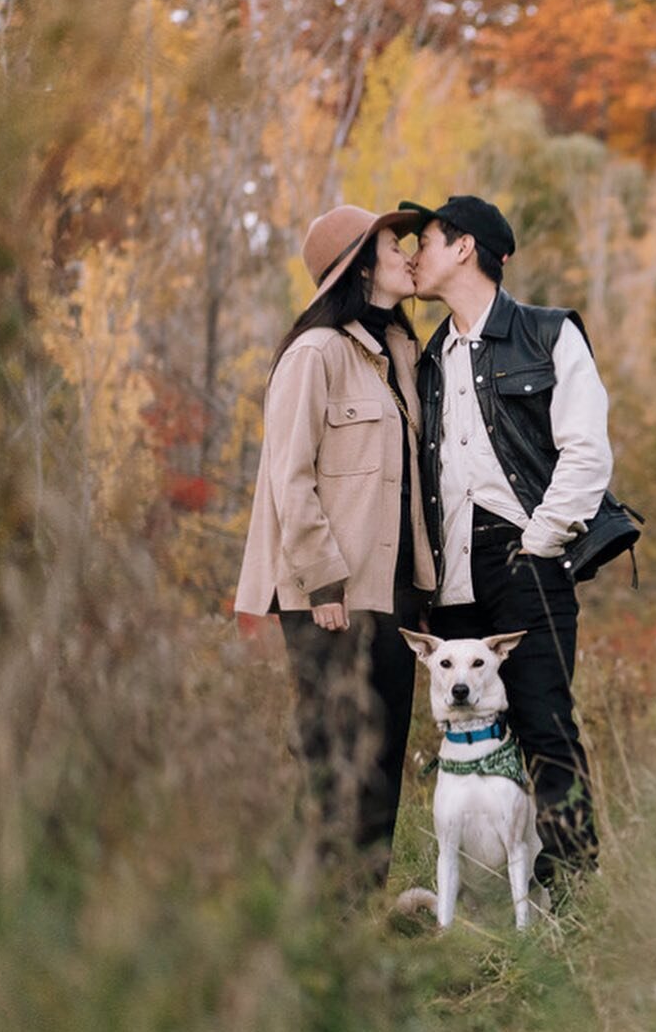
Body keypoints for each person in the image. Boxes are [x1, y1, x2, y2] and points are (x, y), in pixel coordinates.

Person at [399, 194, 613, 887]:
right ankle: (493, 894)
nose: (414, 256)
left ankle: (570, 891)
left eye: (425, 241)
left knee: (546, 730)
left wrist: (540, 542)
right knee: (474, 743)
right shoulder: (427, 361)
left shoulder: (549, 334)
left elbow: (586, 453)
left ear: (464, 248)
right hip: (453, 572)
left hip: (525, 556)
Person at [234, 204, 435, 884]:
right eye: (393, 242)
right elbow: (289, 479)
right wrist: (323, 584)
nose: (409, 253)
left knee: (383, 764)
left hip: (396, 593)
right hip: (331, 597)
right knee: (334, 763)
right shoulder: (313, 355)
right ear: (358, 264)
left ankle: (362, 924)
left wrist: (427, 587)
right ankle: (316, 930)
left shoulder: (402, 354)